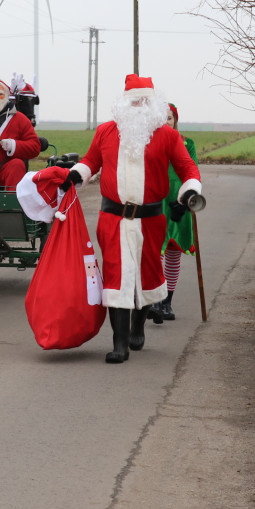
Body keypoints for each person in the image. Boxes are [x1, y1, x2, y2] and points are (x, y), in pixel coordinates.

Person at [62, 74, 201, 364]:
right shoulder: (105, 132)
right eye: (134, 100)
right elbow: (91, 161)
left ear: (153, 103)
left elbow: (187, 168)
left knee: (145, 275)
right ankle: (119, 343)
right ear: (125, 102)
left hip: (151, 219)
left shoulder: (167, 135)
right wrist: (78, 173)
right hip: (112, 217)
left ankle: (139, 326)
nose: (139, 105)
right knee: (116, 276)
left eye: (144, 100)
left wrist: (189, 191)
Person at [151, 103, 199, 321]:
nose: (166, 122)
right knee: (155, 252)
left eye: (169, 118)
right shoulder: (151, 142)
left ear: (175, 120)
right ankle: (154, 299)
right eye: (162, 118)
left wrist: (185, 200)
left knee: (172, 253)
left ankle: (167, 301)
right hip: (156, 202)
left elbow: (192, 171)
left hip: (178, 202)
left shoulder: (187, 143)